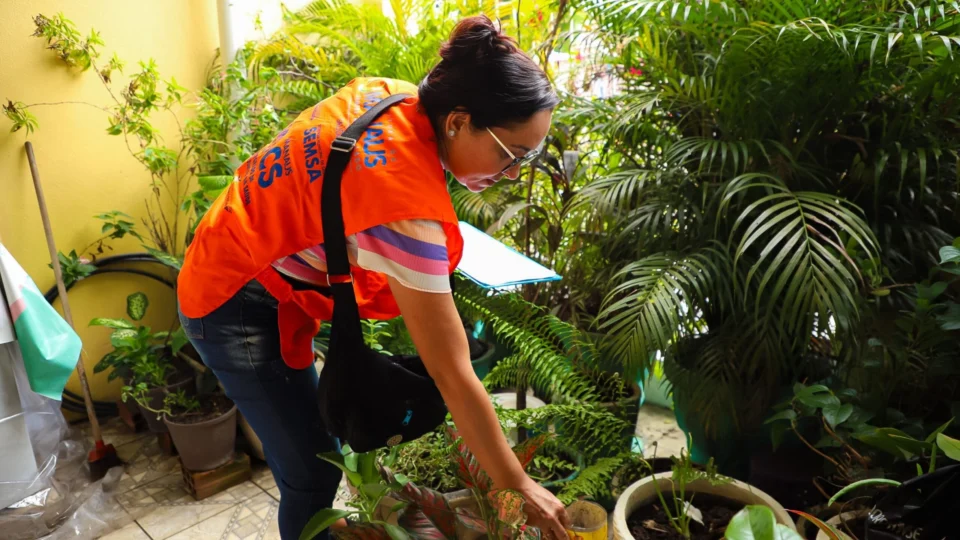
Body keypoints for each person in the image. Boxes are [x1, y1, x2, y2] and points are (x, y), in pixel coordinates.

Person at [176, 14, 570, 540]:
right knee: (312, 470)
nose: (513, 174)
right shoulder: (403, 210)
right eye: (510, 155)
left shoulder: (392, 97)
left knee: (313, 451)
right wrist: (515, 482)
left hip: (236, 244)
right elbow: (453, 373)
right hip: (231, 299)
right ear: (456, 120)